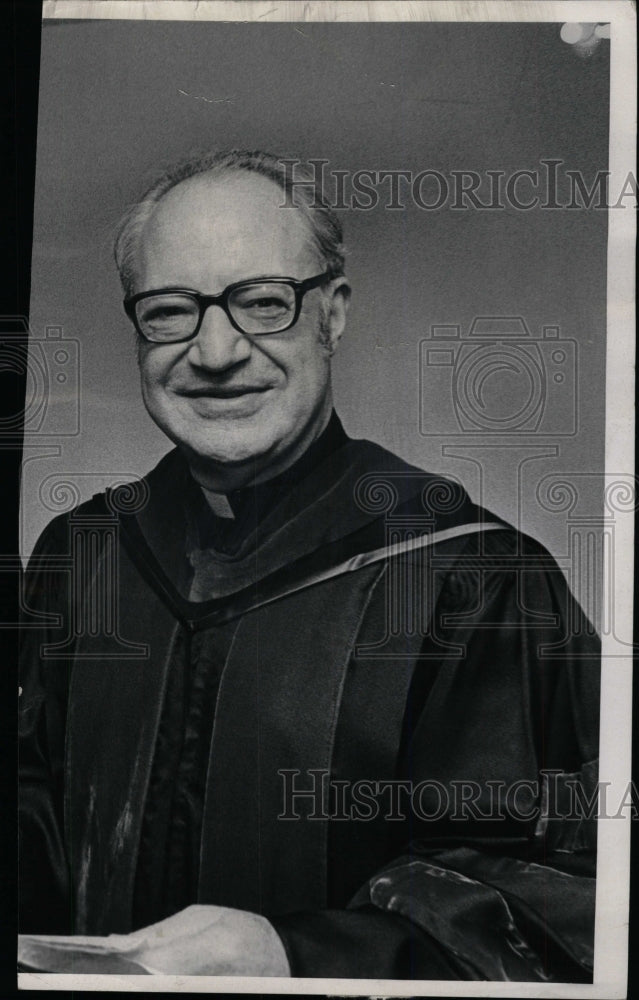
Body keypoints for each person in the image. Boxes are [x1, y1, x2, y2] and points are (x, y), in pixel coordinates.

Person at [19, 149, 600, 981]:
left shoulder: (474, 576)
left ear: (331, 314)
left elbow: (559, 896)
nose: (215, 350)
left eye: (262, 302)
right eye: (171, 310)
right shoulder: (82, 555)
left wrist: (296, 953)